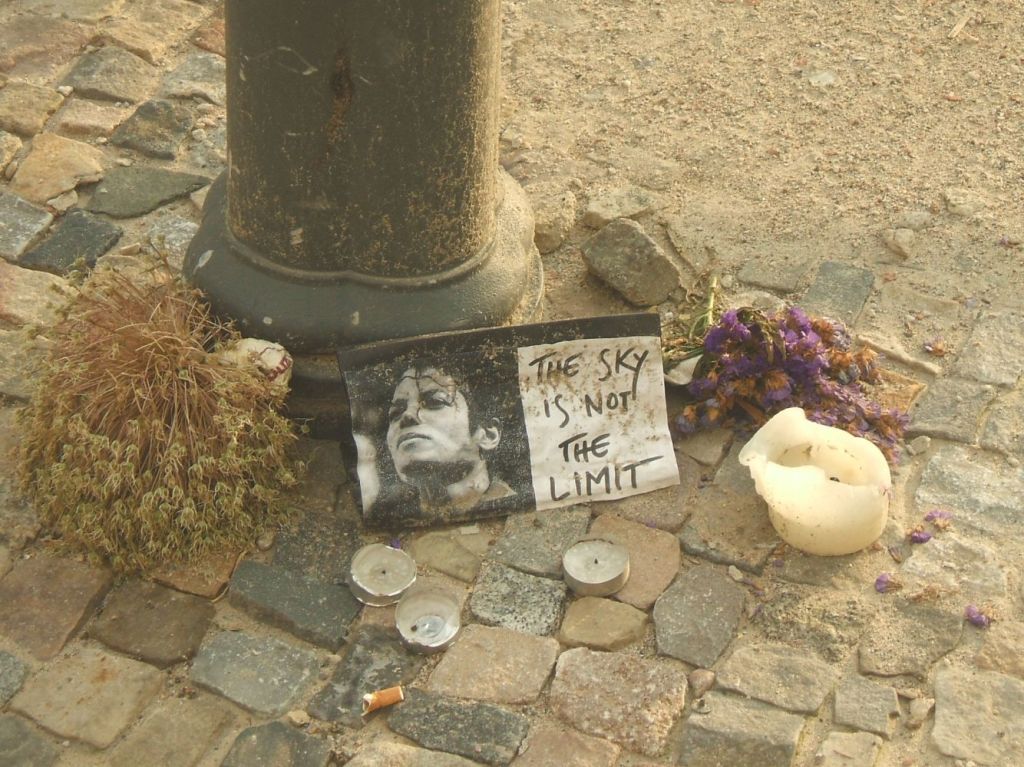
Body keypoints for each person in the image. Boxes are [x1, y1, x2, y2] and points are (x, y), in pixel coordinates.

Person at [384, 362, 515, 517]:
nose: (407, 416)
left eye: (434, 402)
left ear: (488, 435)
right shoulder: (394, 523)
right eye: (395, 413)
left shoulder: (520, 518)